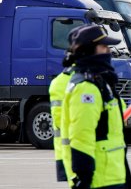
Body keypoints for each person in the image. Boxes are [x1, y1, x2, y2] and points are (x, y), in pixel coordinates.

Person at [60, 24, 131, 189]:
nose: (108, 51)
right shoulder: (87, 88)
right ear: (89, 50)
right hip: (99, 179)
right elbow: (81, 135)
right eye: (104, 46)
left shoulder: (101, 82)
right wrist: (84, 178)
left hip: (112, 175)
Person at [49, 24, 88, 182]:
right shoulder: (65, 82)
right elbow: (61, 121)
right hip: (72, 152)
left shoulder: (89, 78)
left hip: (77, 151)